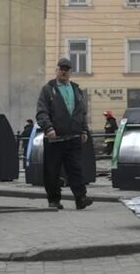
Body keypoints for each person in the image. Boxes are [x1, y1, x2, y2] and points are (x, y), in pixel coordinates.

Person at [36, 57, 93, 210]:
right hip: (54, 138)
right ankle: (54, 200)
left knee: (76, 169)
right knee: (52, 170)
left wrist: (84, 130)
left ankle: (81, 198)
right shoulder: (48, 89)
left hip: (73, 137)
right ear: (56, 70)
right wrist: (48, 128)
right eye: (61, 69)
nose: (63, 72)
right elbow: (42, 112)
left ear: (70, 72)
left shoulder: (76, 90)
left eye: (66, 69)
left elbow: (82, 113)